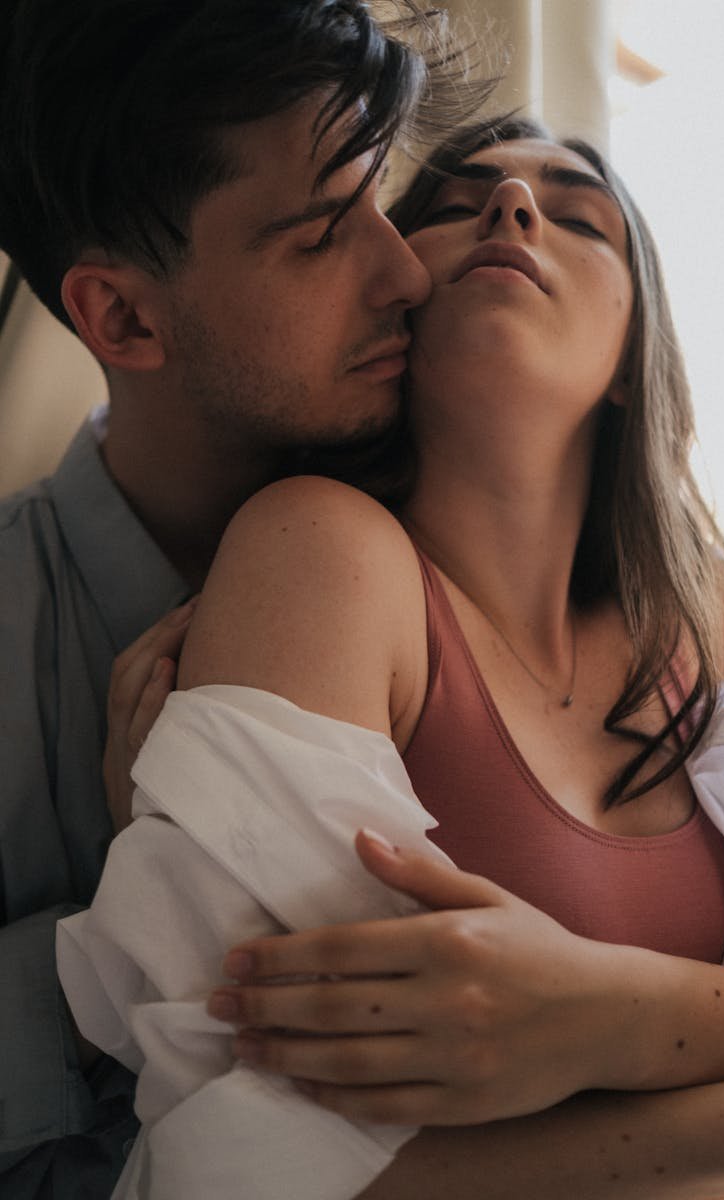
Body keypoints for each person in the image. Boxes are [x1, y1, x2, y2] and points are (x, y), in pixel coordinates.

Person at [57, 116, 724, 1198]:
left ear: (634, 364)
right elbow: (234, 1159)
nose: (509, 209)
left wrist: (604, 1017)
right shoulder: (319, 551)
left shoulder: (700, 609)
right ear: (392, 311)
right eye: (454, 204)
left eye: (578, 215)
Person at [0, 1, 491, 1195]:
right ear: (122, 315)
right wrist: (153, 901)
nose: (402, 266)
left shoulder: (487, 539)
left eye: (384, 198)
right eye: (323, 234)